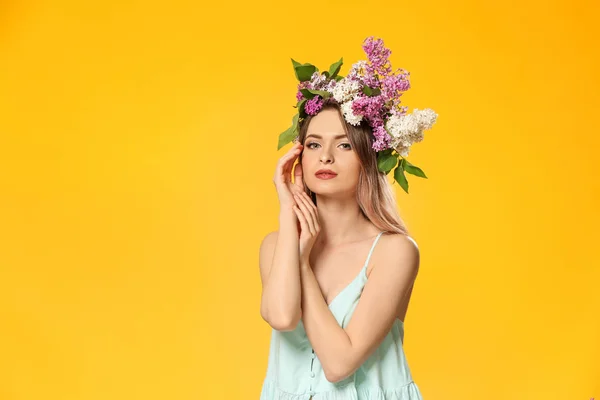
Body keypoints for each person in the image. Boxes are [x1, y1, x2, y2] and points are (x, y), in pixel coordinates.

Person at [259, 36, 436, 399]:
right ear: (298, 159)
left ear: (368, 159)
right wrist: (285, 209)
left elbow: (340, 364)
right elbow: (280, 316)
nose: (325, 157)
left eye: (343, 145)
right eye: (313, 144)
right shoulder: (276, 245)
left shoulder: (394, 252)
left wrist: (304, 264)